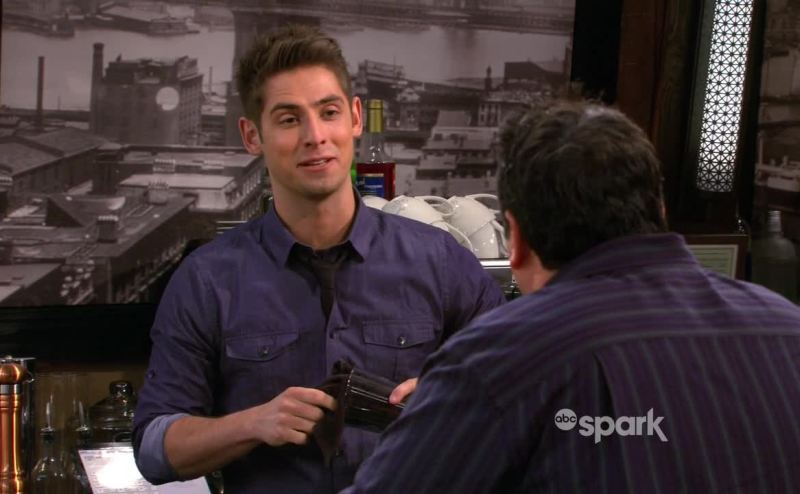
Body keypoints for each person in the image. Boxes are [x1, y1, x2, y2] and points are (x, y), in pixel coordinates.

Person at [343, 100, 800, 493]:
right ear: (659, 212)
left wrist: (450, 405)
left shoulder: (496, 360)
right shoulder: (788, 329)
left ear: (516, 239)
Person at [131, 25, 505, 493]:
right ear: (252, 135)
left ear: (354, 118)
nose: (315, 136)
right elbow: (153, 450)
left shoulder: (441, 262)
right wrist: (252, 423)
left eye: (328, 112)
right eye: (289, 119)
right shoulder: (207, 279)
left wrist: (454, 398)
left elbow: (525, 390)